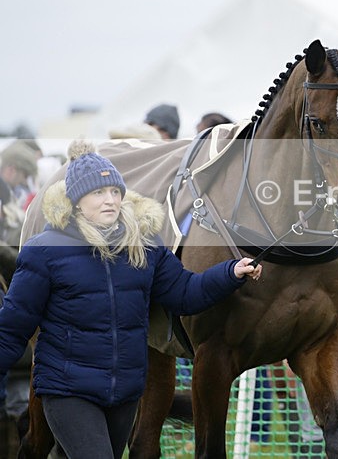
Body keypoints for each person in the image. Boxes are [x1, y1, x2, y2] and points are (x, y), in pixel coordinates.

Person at [0, 139, 262, 459]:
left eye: (115, 192)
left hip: (123, 393)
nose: (110, 200)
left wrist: (230, 273)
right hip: (68, 390)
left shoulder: (144, 245)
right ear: (77, 201)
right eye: (98, 192)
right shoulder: (46, 250)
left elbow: (184, 293)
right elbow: (12, 325)